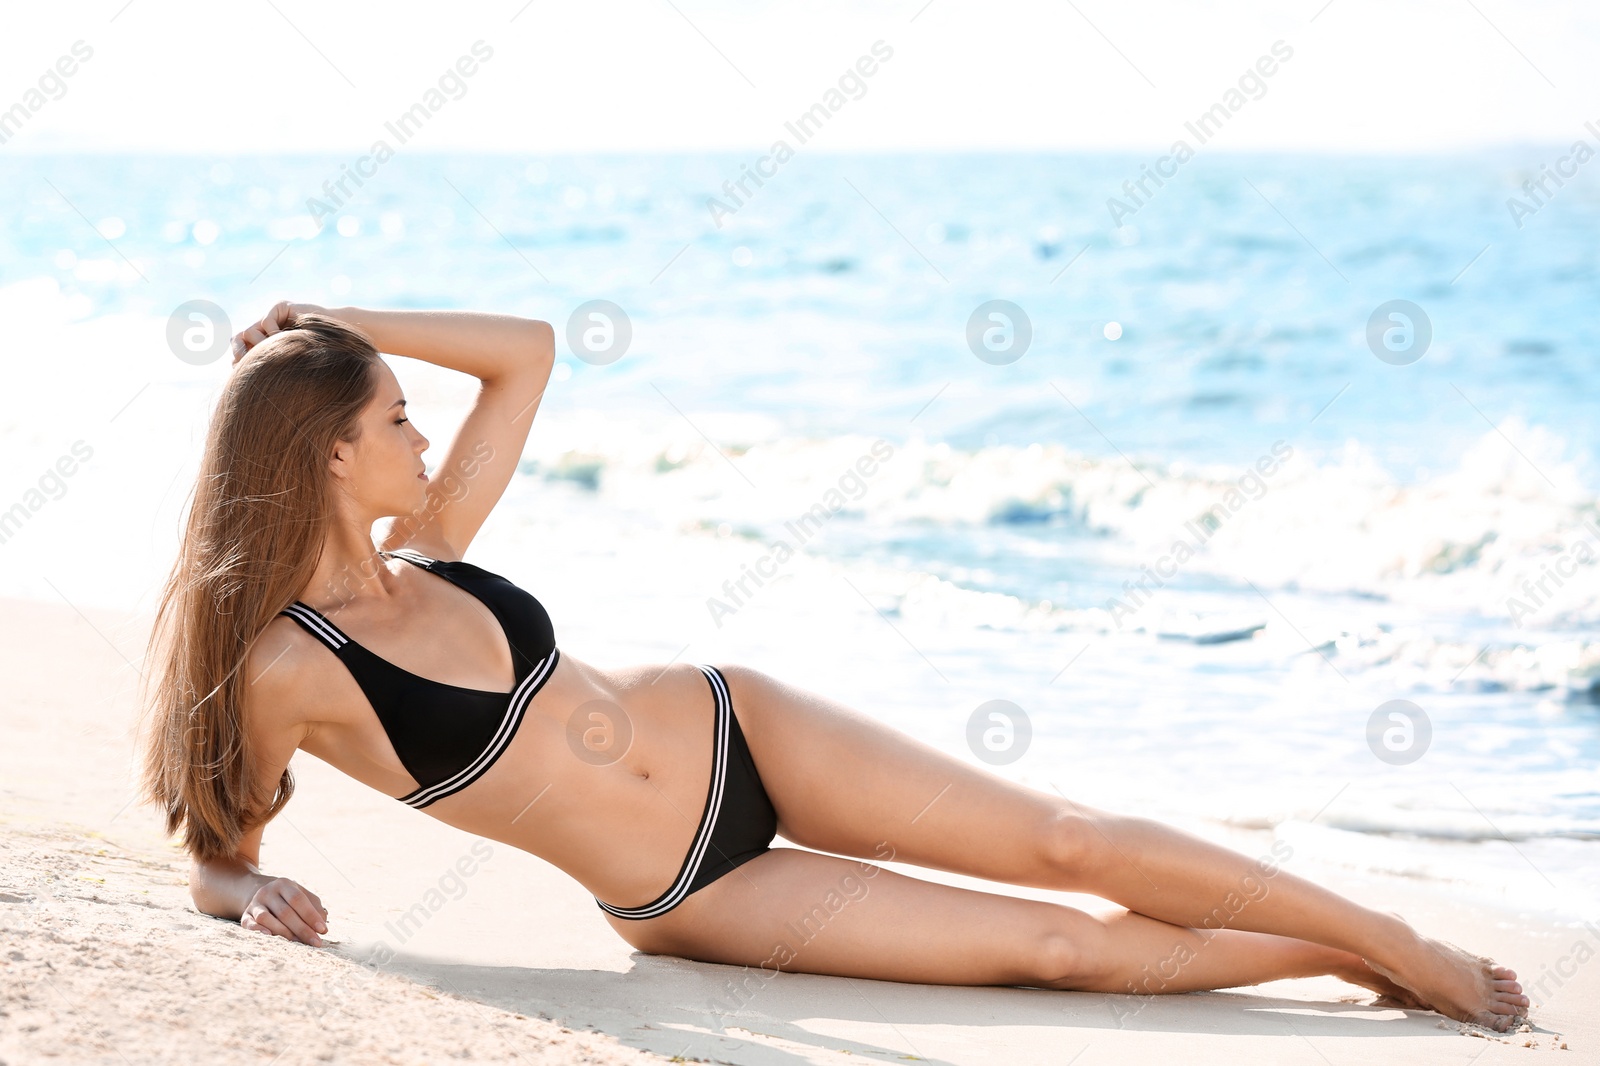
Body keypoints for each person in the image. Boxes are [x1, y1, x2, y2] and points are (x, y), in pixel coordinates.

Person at [135, 301, 1529, 1032]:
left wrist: (333, 316)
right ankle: (1352, 967)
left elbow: (530, 353)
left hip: (745, 721)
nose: (422, 432)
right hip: (697, 887)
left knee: (1070, 837)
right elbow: (218, 841)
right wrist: (248, 884)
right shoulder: (286, 667)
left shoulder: (432, 545)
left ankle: (1394, 937)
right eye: (392, 414)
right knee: (1060, 952)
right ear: (330, 451)